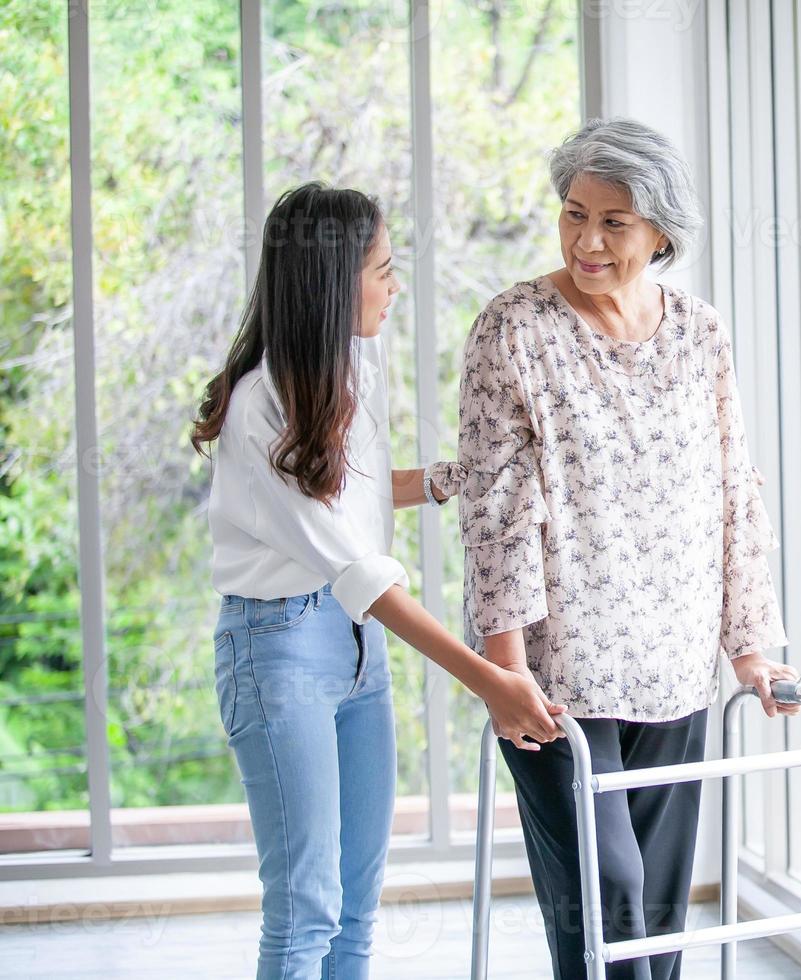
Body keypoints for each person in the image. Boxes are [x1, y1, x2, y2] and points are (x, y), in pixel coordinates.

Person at [427, 118, 801, 980]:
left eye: (614, 222)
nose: (586, 240)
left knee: (659, 921)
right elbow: (498, 512)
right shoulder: (513, 327)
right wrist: (505, 672)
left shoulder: (700, 332)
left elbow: (731, 487)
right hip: (560, 680)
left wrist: (750, 650)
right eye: (572, 213)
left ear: (662, 231)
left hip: (674, 667)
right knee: (609, 904)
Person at [191, 182, 567, 979]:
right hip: (278, 649)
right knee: (307, 908)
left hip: (352, 648)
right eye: (384, 271)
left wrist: (438, 479)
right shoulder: (263, 403)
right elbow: (357, 569)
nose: (395, 287)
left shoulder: (347, 369)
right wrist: (492, 680)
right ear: (333, 281)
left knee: (357, 907)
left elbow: (335, 492)